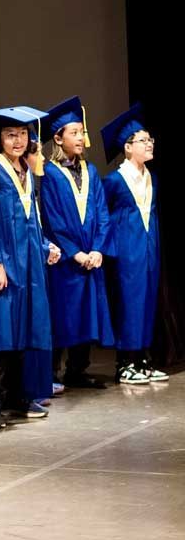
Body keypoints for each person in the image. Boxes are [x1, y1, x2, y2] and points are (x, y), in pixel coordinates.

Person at [0, 106, 61, 428]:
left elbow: (31, 218)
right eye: (11, 135)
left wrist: (46, 245)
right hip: (6, 262)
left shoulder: (27, 170)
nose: (18, 140)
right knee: (3, 331)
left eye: (22, 134)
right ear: (0, 138)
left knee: (28, 327)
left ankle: (20, 396)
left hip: (30, 263)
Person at [39, 96, 114, 389]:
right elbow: (53, 220)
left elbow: (102, 214)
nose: (82, 137)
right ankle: (52, 372)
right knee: (63, 314)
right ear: (58, 138)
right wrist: (76, 253)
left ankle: (77, 370)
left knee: (88, 315)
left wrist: (97, 249)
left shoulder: (92, 171)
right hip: (67, 261)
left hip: (91, 255)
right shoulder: (50, 174)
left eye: (82, 132)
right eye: (75, 133)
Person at [100, 104, 166, 385]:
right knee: (129, 303)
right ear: (127, 148)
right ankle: (125, 362)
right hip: (127, 251)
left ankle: (143, 359)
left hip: (149, 248)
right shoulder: (114, 180)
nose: (149, 144)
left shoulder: (152, 177)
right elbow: (103, 215)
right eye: (143, 140)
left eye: (150, 139)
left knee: (148, 301)